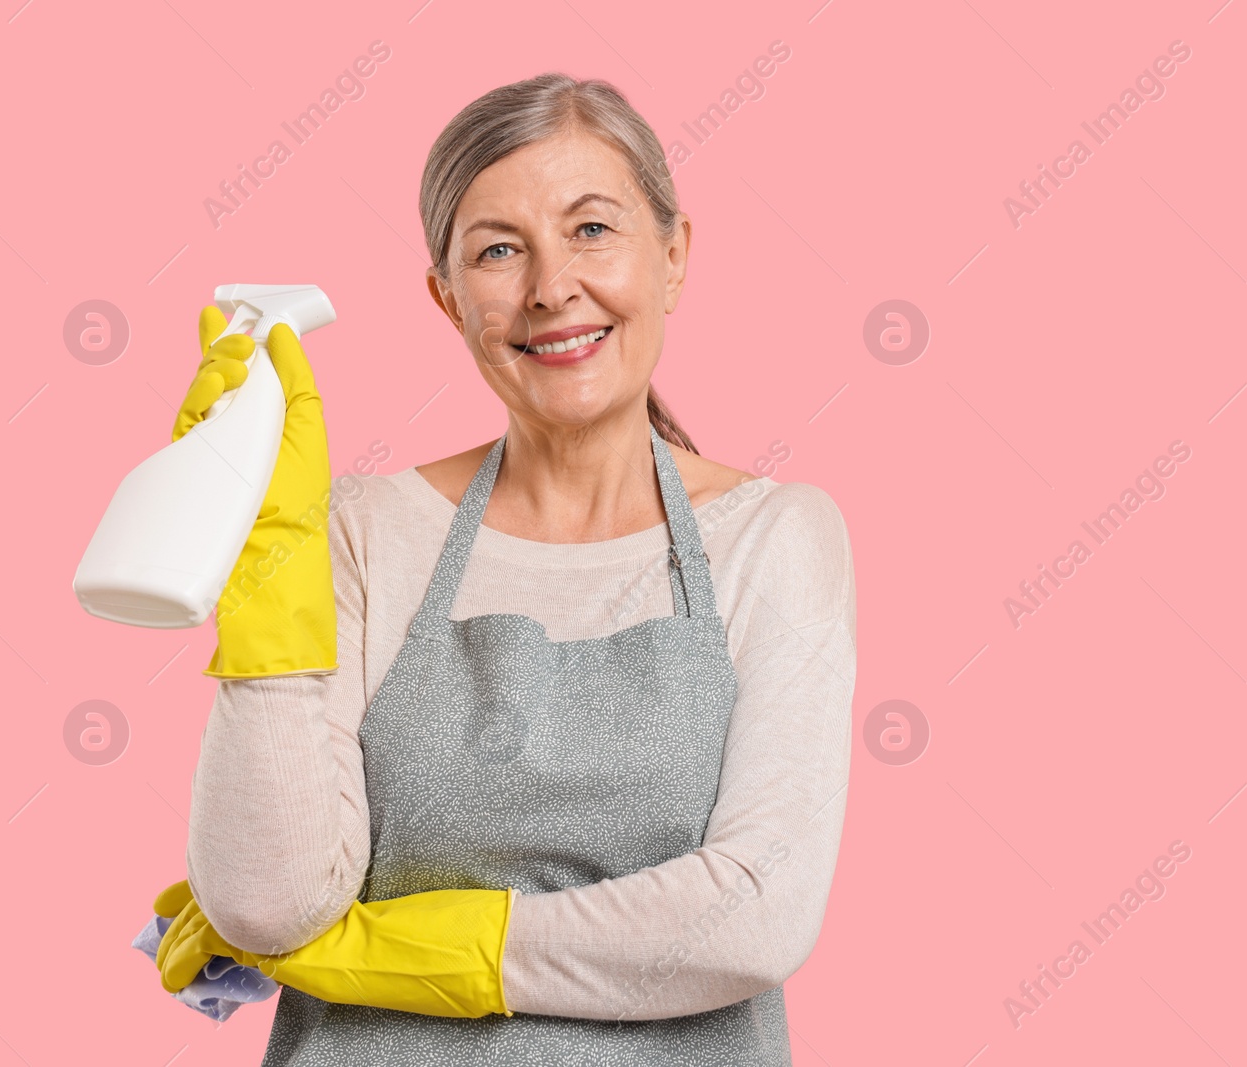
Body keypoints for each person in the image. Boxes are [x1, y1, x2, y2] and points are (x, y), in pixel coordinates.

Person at [152, 71, 856, 1066]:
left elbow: (753, 911)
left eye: (592, 230)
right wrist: (267, 559)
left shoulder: (776, 537)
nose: (549, 287)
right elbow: (266, 900)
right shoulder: (360, 528)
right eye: (497, 250)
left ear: (673, 254)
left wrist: (404, 946)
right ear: (448, 301)